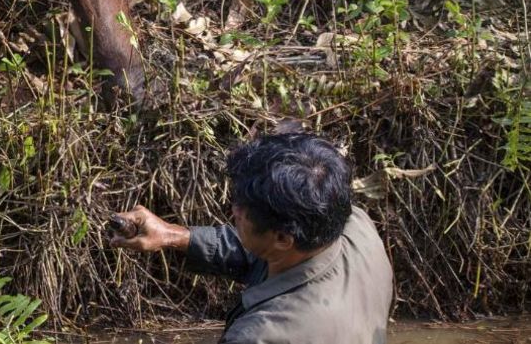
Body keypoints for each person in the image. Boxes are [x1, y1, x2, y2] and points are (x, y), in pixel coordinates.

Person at [110, 133, 394, 344]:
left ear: (283, 238)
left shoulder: (260, 335)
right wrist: (173, 236)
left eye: (244, 211)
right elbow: (264, 252)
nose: (234, 210)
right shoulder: (354, 225)